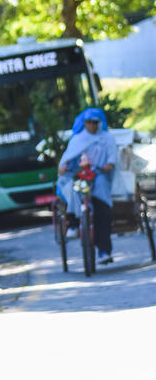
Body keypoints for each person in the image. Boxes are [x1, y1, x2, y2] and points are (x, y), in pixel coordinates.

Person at [57, 107, 118, 264]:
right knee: (71, 189)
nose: (93, 125)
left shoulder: (107, 138)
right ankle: (73, 223)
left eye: (96, 122)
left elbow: (112, 158)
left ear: (100, 123)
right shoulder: (77, 139)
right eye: (89, 122)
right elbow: (65, 162)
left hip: (99, 176)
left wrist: (108, 165)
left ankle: (104, 251)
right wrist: (64, 167)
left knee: (102, 208)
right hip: (79, 176)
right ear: (84, 123)